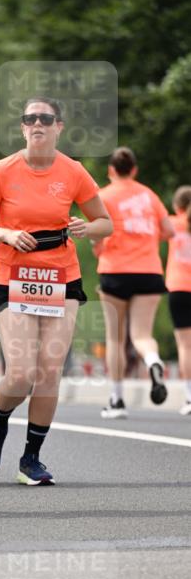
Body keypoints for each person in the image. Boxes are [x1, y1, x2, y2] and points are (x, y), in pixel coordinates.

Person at [0, 97, 112, 485]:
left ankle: (30, 459)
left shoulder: (73, 172)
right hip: (13, 275)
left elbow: (105, 221)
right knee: (21, 374)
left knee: (49, 372)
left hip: (61, 277)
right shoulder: (3, 171)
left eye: (45, 118)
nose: (37, 123)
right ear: (22, 128)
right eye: (30, 118)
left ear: (58, 127)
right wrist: (4, 233)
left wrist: (88, 228)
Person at [93, 147, 175, 418]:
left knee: (115, 338)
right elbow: (169, 230)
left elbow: (97, 234)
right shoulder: (149, 195)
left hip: (115, 270)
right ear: (135, 170)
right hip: (149, 270)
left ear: (111, 170)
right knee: (142, 335)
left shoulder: (104, 196)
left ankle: (116, 401)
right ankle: (153, 360)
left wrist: (99, 247)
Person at [166, 186, 191, 415]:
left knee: (185, 346)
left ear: (177, 206)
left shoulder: (172, 223)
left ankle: (190, 396)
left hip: (179, 288)